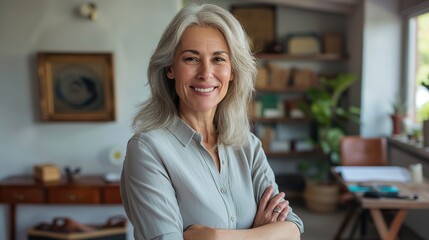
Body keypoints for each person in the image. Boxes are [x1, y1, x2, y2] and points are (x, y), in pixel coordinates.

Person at [120, 3, 304, 240]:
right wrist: (260, 233)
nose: (206, 73)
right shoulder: (148, 150)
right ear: (170, 68)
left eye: (218, 59)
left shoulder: (248, 146)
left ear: (232, 71)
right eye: (191, 59)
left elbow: (292, 229)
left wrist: (216, 236)